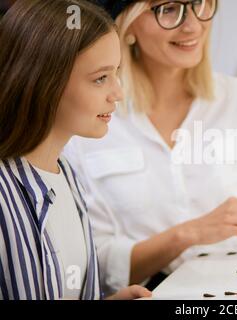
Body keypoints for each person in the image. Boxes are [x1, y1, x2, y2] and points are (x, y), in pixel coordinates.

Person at [65, 0, 237, 295]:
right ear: (128, 24)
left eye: (200, 4)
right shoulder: (95, 117)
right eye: (168, 9)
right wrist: (187, 235)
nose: (193, 25)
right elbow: (99, 267)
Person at [0, 0, 151, 300]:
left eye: (116, 72)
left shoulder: (67, 174)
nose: (118, 93)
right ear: (44, 82)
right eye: (100, 78)